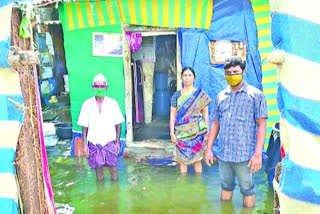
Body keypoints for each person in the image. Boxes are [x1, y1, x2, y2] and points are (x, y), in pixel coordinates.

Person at [205, 56, 268, 208]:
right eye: (228, 72)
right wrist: (208, 150)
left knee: (247, 190)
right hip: (224, 155)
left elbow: (262, 125)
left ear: (243, 71)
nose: (232, 75)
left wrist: (258, 154)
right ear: (224, 75)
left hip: (244, 156)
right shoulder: (221, 96)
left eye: (235, 71)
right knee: (226, 188)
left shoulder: (255, 95)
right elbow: (215, 124)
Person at [77, 73, 124, 182]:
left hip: (109, 142)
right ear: (93, 87)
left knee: (114, 171)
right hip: (94, 143)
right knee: (98, 173)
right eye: (97, 86)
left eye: (101, 86)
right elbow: (84, 126)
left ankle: (114, 196)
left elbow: (118, 124)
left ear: (106, 87)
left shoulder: (113, 103)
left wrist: (117, 142)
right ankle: (101, 196)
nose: (99, 89)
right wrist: (85, 145)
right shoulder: (87, 104)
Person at [170, 67, 211, 174]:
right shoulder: (176, 95)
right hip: (181, 133)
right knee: (182, 161)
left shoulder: (200, 95)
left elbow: (205, 113)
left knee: (197, 161)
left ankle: (198, 184)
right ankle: (183, 186)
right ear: (181, 78)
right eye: (185, 75)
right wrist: (172, 133)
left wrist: (207, 131)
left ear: (194, 78)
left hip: (197, 133)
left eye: (190, 75)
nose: (187, 78)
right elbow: (172, 115)